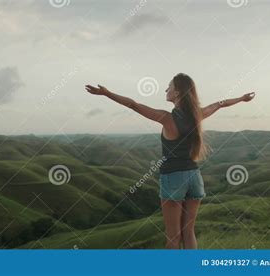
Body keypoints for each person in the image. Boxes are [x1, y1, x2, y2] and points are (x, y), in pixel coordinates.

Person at [85, 73, 255, 249]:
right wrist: (242, 98)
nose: (166, 90)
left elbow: (133, 104)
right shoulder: (197, 116)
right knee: (189, 233)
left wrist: (107, 93)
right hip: (195, 178)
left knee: (173, 237)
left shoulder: (167, 118)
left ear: (178, 92)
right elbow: (219, 104)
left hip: (173, 178)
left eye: (169, 87)